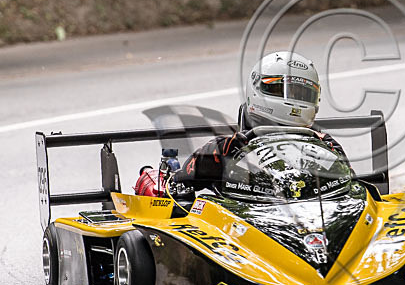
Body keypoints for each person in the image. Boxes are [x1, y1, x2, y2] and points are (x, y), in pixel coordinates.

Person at [134, 51, 347, 195]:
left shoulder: (225, 148)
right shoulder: (227, 149)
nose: (293, 99)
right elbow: (174, 190)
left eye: (302, 93)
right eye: (280, 89)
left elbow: (351, 192)